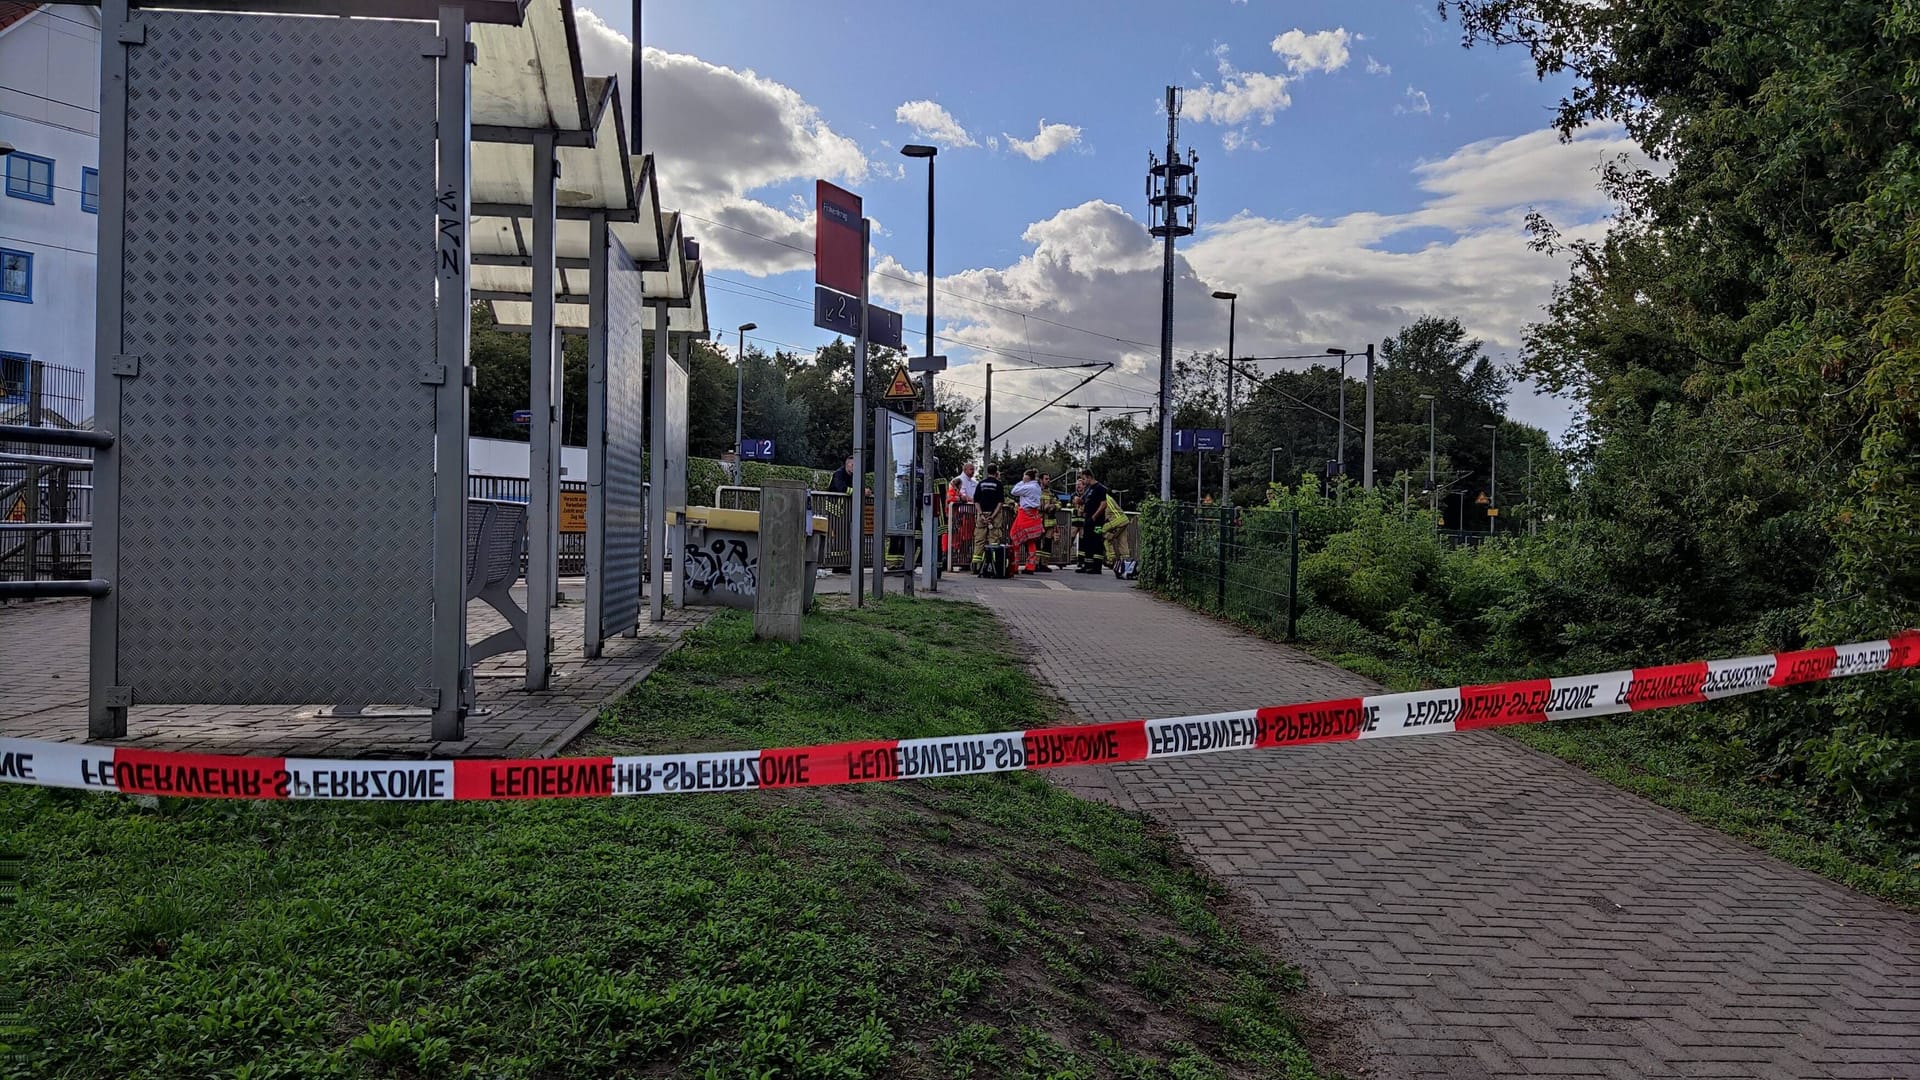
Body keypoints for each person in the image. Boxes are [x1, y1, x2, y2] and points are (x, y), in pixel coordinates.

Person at [1009, 469, 1048, 573]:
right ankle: (1031, 566)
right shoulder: (1037, 486)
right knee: (1031, 541)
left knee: (1015, 537)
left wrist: (1022, 482)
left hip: (1024, 514)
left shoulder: (1028, 486)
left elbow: (1014, 491)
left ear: (1027, 477)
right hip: (1034, 515)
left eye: (1024, 476)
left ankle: (1015, 566)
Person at [971, 465, 1006, 571]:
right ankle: (993, 566)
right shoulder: (998, 484)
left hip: (982, 515)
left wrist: (981, 515)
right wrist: (992, 516)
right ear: (996, 472)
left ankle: (976, 566)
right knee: (994, 540)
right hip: (994, 516)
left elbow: (976, 501)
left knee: (979, 540)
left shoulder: (981, 484)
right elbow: (1000, 502)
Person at [1076, 469, 1110, 573]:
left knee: (1097, 541)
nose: (1083, 481)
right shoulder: (1089, 489)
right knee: (1088, 542)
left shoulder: (1100, 488)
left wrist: (1094, 517)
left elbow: (1103, 504)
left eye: (1084, 479)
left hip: (1097, 521)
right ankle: (1087, 565)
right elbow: (1085, 500)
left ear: (1089, 477)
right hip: (1088, 519)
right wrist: (1079, 501)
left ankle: (1096, 567)